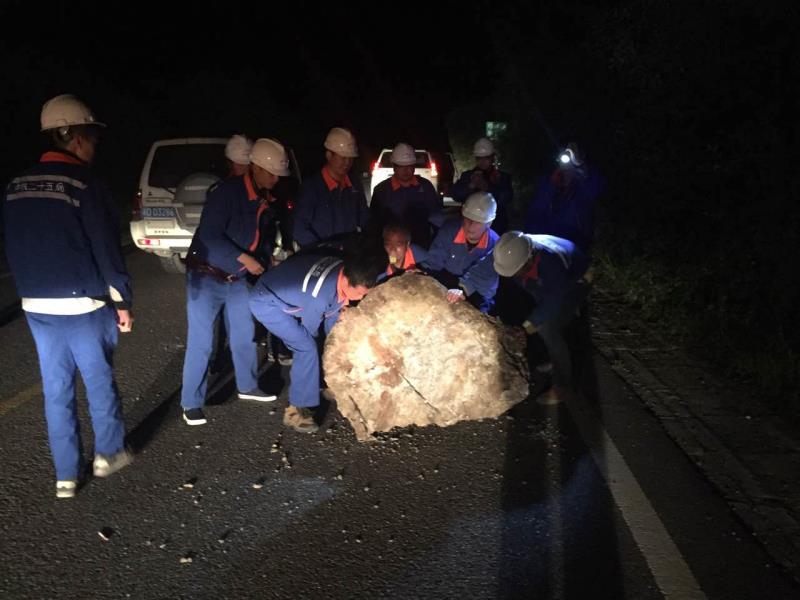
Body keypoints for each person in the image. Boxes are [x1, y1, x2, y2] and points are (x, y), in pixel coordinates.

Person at [3, 94, 133, 498]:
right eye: (92, 138)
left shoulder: (16, 185)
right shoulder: (84, 184)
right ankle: (108, 453)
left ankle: (66, 475)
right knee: (98, 381)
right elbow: (106, 249)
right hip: (84, 304)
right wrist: (123, 301)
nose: (94, 146)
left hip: (36, 304)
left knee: (56, 387)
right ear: (75, 138)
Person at [180, 138, 291, 426]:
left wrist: (266, 260)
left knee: (244, 334)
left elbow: (260, 240)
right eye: (272, 174)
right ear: (256, 168)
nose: (276, 180)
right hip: (206, 276)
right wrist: (246, 259)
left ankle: (248, 386)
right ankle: (191, 402)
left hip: (236, 278)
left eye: (278, 175)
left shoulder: (265, 200)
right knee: (202, 341)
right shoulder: (227, 193)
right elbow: (210, 235)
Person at [249, 246, 387, 433]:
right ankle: (296, 409)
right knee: (306, 348)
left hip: (294, 290)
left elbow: (333, 312)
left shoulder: (346, 269)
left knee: (332, 336)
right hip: (266, 301)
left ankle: (326, 382)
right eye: (359, 294)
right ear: (346, 281)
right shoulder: (319, 296)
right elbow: (310, 330)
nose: (360, 298)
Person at [492, 231, 589, 405]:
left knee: (548, 328)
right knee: (533, 314)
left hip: (577, 279)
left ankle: (562, 386)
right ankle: (549, 358)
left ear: (528, 260)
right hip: (549, 277)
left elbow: (552, 301)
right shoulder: (514, 250)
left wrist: (527, 327)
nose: (514, 275)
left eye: (516, 271)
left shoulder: (550, 262)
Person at [421, 192, 499, 313]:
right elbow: (432, 264)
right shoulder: (449, 230)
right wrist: (421, 273)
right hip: (446, 280)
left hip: (475, 291)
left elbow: (486, 290)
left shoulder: (495, 246)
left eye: (477, 222)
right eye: (467, 219)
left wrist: (464, 291)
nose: (470, 226)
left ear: (489, 223)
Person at [292, 127, 369, 248]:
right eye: (343, 157)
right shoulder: (312, 188)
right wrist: (321, 249)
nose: (347, 162)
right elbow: (299, 228)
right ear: (329, 155)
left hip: (349, 253)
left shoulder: (354, 184)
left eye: (350, 158)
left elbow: (364, 218)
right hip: (322, 255)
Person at [523, 143, 603, 254]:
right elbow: (535, 212)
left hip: (576, 244)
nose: (566, 173)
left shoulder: (586, 182)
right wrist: (551, 185)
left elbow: (593, 191)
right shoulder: (549, 183)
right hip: (550, 245)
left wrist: (581, 172)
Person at [369, 142, 442, 248]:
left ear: (414, 166)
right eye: (401, 166)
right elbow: (374, 224)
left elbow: (436, 218)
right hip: (392, 249)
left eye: (409, 166)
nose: (405, 170)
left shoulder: (425, 187)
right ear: (394, 167)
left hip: (421, 246)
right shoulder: (382, 190)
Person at [451, 137, 513, 234]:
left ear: (492, 157)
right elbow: (456, 195)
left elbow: (506, 198)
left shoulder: (502, 177)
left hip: (495, 225)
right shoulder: (468, 176)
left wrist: (487, 188)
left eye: (486, 158)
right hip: (471, 225)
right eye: (479, 158)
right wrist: (471, 185)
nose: (482, 161)